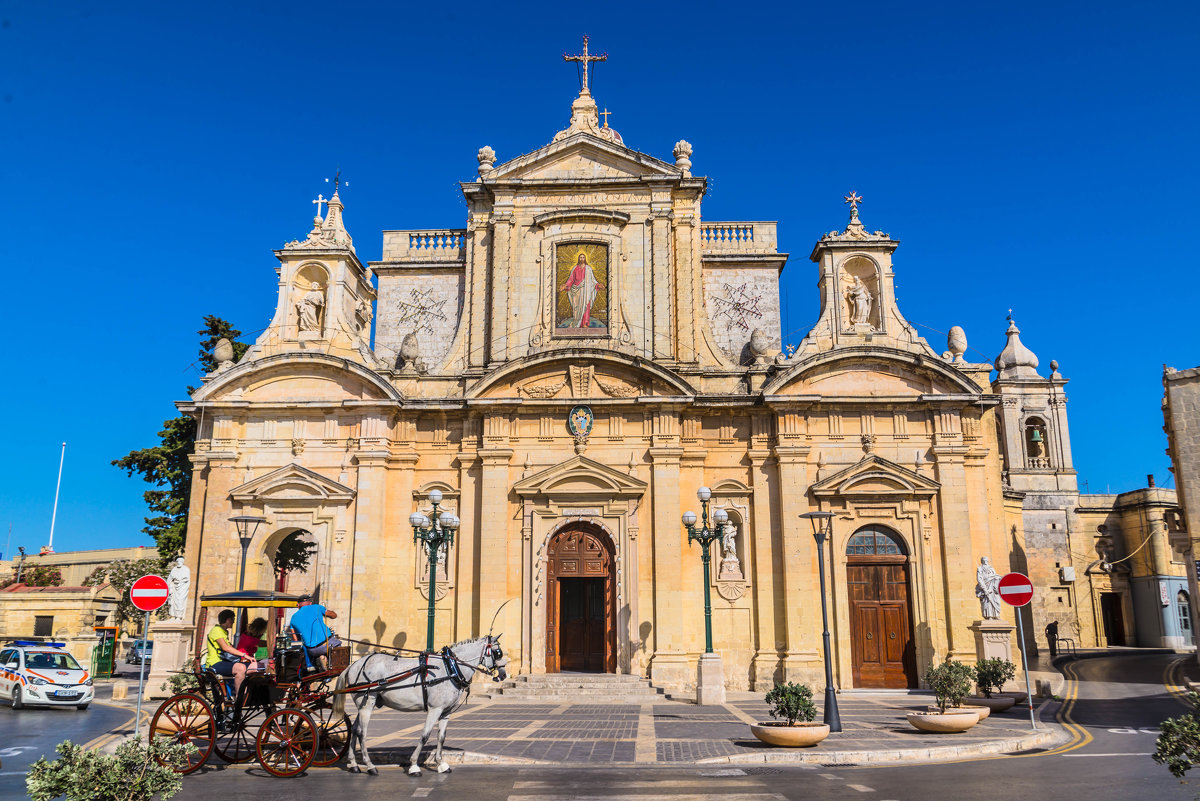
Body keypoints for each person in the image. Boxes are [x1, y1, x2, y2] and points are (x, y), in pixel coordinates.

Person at [204, 610, 254, 699]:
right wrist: (244, 655)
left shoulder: (224, 632)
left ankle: (248, 693)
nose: (234, 621)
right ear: (228, 620)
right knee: (240, 668)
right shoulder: (216, 630)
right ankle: (239, 697)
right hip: (215, 663)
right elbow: (225, 648)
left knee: (254, 666)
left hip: (224, 662)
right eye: (233, 619)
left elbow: (231, 649)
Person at [288, 595, 341, 669]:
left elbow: (295, 639)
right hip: (326, 644)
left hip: (312, 650)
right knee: (338, 645)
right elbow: (334, 615)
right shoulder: (317, 607)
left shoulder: (293, 618)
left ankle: (318, 662)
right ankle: (336, 666)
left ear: (298, 605)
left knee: (306, 648)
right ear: (310, 603)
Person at [559, 251, 604, 328]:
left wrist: (598, 285)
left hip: (586, 291)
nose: (582, 258)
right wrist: (565, 286)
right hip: (577, 291)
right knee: (577, 308)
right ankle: (577, 323)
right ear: (578, 258)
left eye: (583, 257)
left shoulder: (589, 269)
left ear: (585, 259)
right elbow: (571, 280)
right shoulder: (575, 268)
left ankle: (585, 324)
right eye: (580, 257)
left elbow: (593, 280)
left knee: (586, 306)